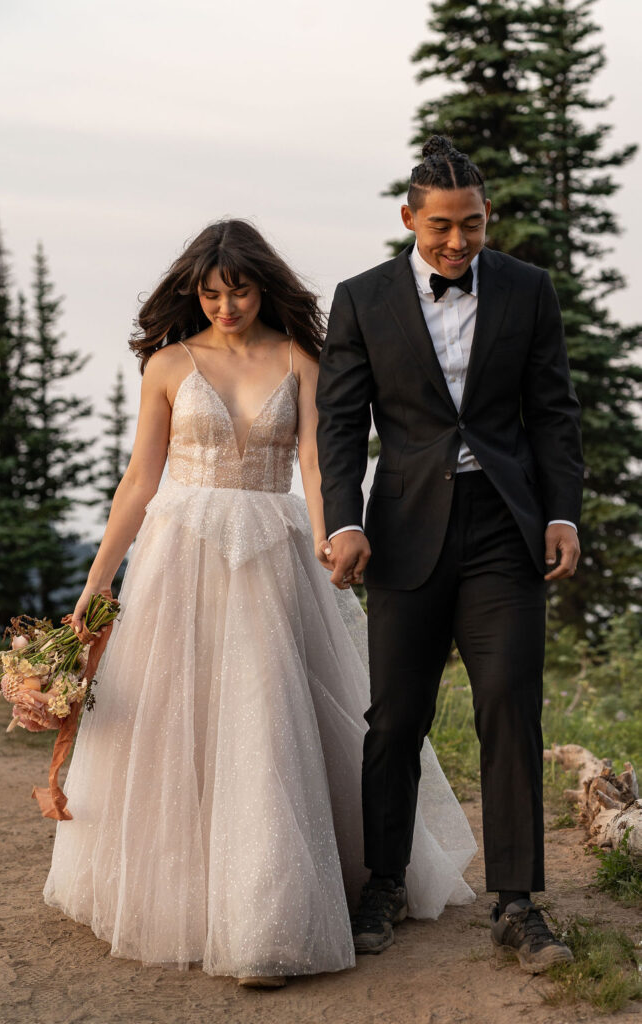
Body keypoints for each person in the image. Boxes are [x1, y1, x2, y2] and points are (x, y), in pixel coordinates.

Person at [43, 219, 477, 986]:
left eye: (238, 289)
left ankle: (267, 917)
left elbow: (316, 464)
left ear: (261, 286)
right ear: (195, 293)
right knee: (181, 721)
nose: (225, 305)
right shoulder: (169, 366)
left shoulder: (300, 359)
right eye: (210, 293)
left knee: (268, 720)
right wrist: (97, 580)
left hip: (275, 551)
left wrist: (330, 536)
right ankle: (184, 893)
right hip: (182, 554)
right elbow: (139, 481)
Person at [316, 137, 584, 973]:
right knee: (394, 716)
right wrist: (343, 521)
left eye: (470, 226)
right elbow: (336, 423)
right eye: (440, 228)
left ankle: (516, 902)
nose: (457, 244)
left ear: (485, 218)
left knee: (509, 703)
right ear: (408, 218)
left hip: (504, 529)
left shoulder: (528, 291)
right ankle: (383, 884)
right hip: (402, 530)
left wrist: (563, 515)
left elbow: (553, 414)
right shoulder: (361, 300)